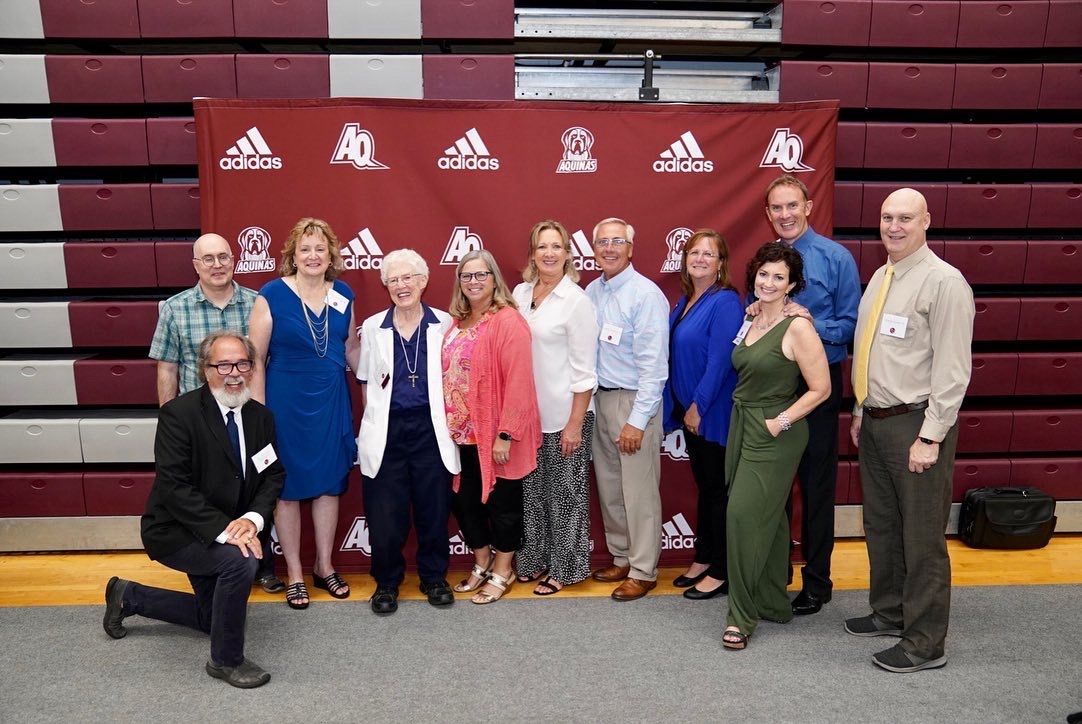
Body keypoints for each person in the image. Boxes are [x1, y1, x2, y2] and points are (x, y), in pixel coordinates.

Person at [103, 330, 285, 688]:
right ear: (206, 369)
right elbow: (173, 487)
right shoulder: (178, 415)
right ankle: (226, 661)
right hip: (176, 530)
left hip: (228, 526)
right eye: (223, 365)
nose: (233, 373)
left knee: (212, 617)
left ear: (251, 368)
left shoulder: (261, 417)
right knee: (241, 562)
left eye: (242, 363)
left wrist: (251, 519)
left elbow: (272, 475)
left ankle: (129, 595)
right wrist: (228, 532)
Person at [844, 188, 974, 673]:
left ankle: (924, 642)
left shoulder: (945, 283)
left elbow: (953, 370)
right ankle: (890, 612)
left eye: (905, 218)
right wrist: (860, 408)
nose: (893, 226)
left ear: (926, 222)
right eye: (886, 217)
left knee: (921, 538)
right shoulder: (881, 276)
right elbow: (874, 352)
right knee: (881, 526)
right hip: (876, 420)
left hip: (916, 424)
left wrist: (932, 435)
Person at [148, 234, 281, 594]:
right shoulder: (174, 308)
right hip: (196, 425)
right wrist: (169, 423)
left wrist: (260, 417)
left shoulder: (257, 303)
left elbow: (266, 362)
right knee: (210, 493)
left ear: (234, 260)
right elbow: (167, 368)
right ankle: (218, 556)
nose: (217, 264)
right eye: (208, 259)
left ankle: (261, 562)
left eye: (223, 256)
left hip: (245, 417)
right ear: (196, 265)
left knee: (254, 481)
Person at [759, 175, 861, 616]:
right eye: (777, 208)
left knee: (817, 487)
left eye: (791, 206)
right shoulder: (767, 262)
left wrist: (808, 324)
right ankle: (775, 574)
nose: (785, 214)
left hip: (817, 385)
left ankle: (817, 583)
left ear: (808, 206)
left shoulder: (836, 257)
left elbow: (851, 324)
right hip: (775, 385)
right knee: (775, 487)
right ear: (768, 214)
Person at [723, 243, 830, 651]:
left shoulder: (798, 325)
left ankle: (741, 616)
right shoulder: (752, 317)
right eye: (763, 274)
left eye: (778, 277)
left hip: (776, 432)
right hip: (743, 423)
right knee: (768, 516)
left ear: (793, 285)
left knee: (742, 518)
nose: (768, 283)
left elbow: (822, 389)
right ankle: (771, 600)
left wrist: (780, 421)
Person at [249, 217, 360, 610]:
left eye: (320, 248)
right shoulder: (272, 294)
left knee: (329, 484)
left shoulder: (343, 293)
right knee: (287, 489)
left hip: (331, 402)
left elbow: (349, 351)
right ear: (292, 256)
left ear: (331, 254)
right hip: (284, 404)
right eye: (305, 249)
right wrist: (259, 415)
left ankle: (324, 566)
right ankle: (294, 571)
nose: (313, 256)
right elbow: (255, 360)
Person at [356, 249, 460, 615]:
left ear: (423, 281)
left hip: (432, 429)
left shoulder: (446, 324)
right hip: (389, 430)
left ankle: (434, 578)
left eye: (408, 278)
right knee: (385, 513)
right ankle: (386, 583)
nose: (402, 286)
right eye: (393, 280)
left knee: (433, 510)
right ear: (386, 286)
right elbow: (366, 381)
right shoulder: (372, 327)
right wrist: (374, 421)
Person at [443, 250, 541, 605]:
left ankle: (503, 569)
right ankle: (482, 562)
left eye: (480, 275)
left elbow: (519, 381)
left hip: (497, 436)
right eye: (466, 276)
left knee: (504, 506)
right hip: (461, 436)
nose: (473, 282)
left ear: (494, 278)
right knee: (466, 503)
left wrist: (506, 433)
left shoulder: (508, 320)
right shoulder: (457, 322)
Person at [511, 220, 599, 595]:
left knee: (565, 496)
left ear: (567, 253)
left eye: (556, 246)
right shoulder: (519, 293)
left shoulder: (576, 302)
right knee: (530, 495)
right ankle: (532, 560)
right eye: (542, 246)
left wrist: (575, 424)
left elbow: (585, 371)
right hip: (526, 417)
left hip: (565, 415)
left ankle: (566, 568)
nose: (549, 253)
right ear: (532, 253)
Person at [585, 217, 669, 602]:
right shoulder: (592, 292)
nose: (609, 248)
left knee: (639, 492)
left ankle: (643, 569)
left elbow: (655, 368)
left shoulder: (645, 295)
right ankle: (621, 556)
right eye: (602, 242)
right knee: (611, 487)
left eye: (617, 241)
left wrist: (637, 421)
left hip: (635, 402)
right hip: (601, 399)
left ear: (631, 248)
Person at [662, 229, 744, 600]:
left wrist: (699, 406)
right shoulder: (686, 301)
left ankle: (724, 570)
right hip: (690, 413)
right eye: (694, 252)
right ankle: (705, 556)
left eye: (709, 254)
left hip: (712, 412)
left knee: (720, 492)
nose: (700, 258)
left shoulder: (725, 301)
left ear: (721, 262)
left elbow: (720, 360)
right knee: (708, 489)